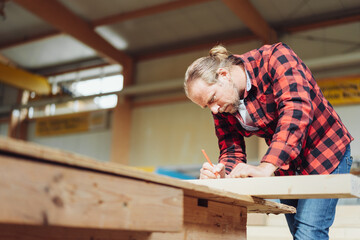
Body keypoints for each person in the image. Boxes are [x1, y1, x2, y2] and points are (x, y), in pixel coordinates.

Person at [184, 42, 353, 240]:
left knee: (309, 235)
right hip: (288, 165)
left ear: (224, 75)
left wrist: (266, 166)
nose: (214, 110)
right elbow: (231, 148)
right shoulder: (223, 104)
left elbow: (295, 111)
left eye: (212, 99)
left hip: (325, 151)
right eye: (207, 106)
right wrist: (223, 173)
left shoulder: (275, 58)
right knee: (299, 233)